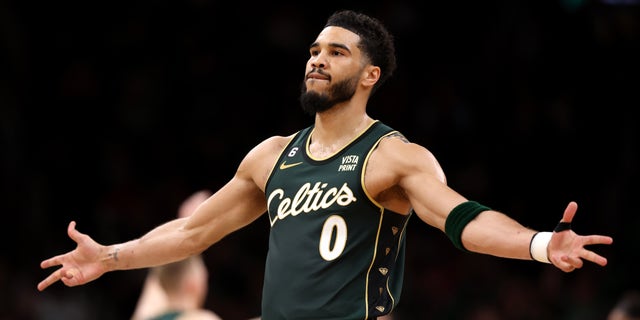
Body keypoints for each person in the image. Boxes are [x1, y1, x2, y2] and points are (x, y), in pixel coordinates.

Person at [37, 9, 613, 320]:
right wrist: (110, 258)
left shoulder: (392, 155)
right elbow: (192, 232)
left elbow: (461, 219)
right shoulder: (271, 155)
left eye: (336, 52)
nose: (317, 59)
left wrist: (539, 244)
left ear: (370, 76)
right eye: (314, 50)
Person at [130, 190, 222, 320]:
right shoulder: (201, 318)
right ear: (194, 284)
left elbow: (160, 278)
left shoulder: (144, 315)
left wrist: (185, 230)